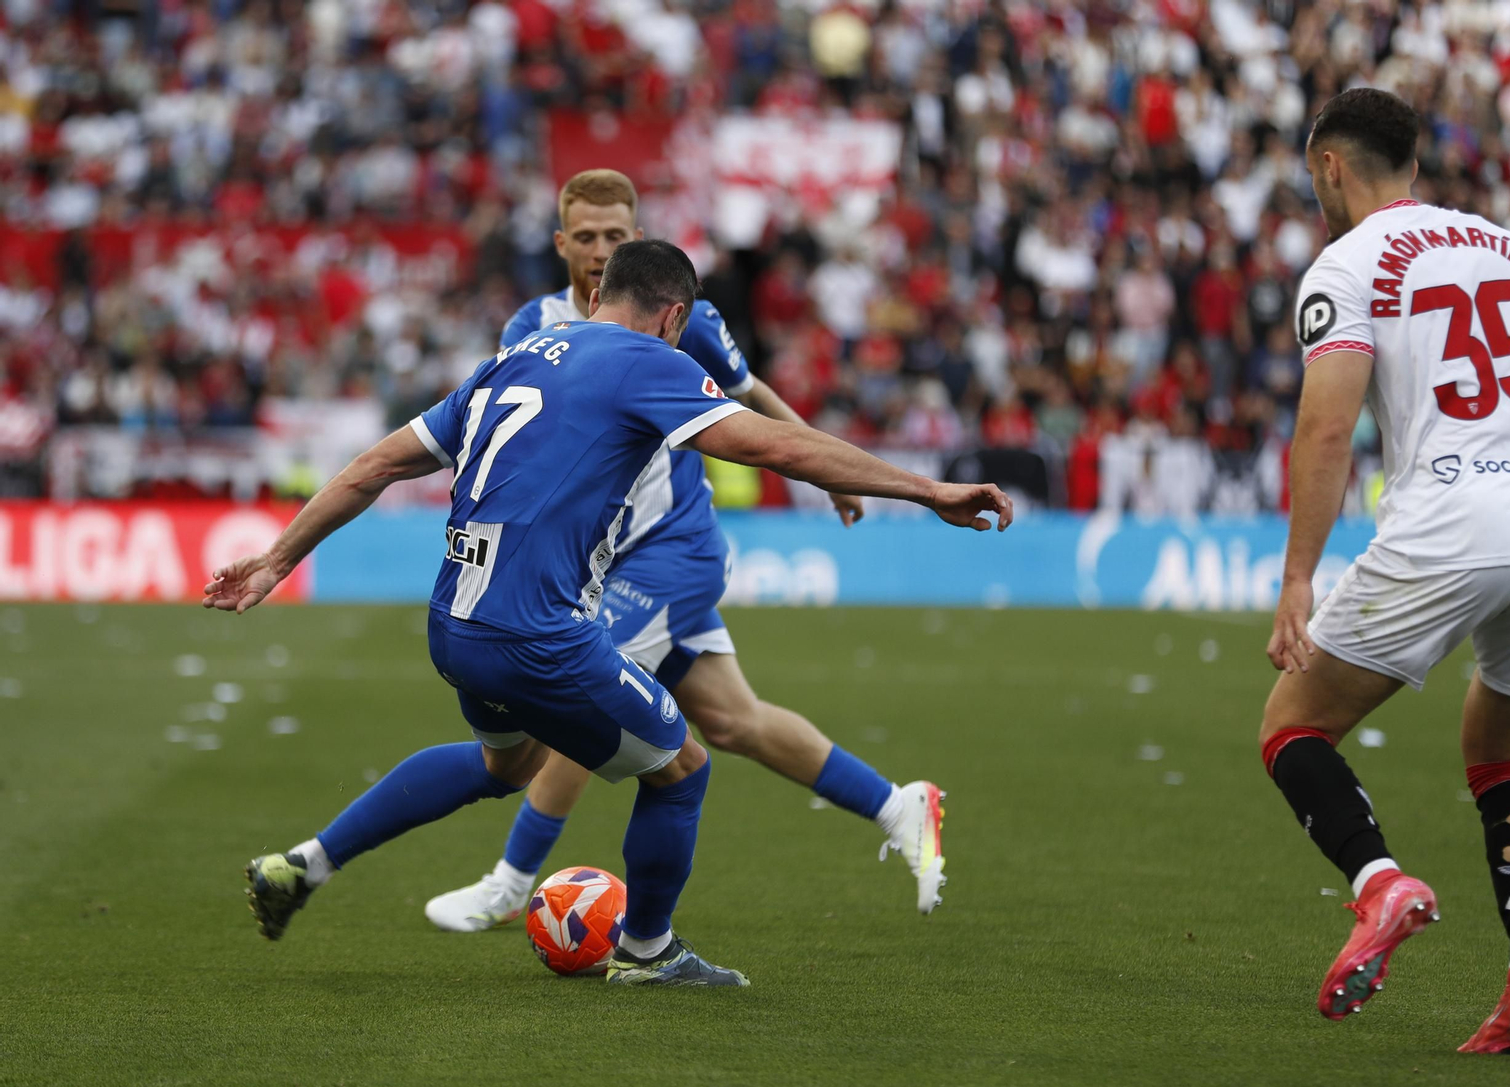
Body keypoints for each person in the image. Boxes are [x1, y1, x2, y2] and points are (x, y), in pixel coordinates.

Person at [204, 240, 1012, 987]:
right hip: (535, 634)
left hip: (454, 622)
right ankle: (647, 950)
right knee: (681, 768)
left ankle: (305, 865)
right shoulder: (646, 361)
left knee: (513, 764)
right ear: (674, 318)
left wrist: (276, 560)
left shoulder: (512, 358)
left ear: (599, 294)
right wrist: (927, 488)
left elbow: (375, 465)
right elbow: (777, 446)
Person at [425, 169, 953, 936]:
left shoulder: (681, 316)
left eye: (615, 236)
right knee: (735, 721)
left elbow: (751, 397)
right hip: (594, 562)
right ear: (562, 242)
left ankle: (509, 882)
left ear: (635, 240)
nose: (600, 250)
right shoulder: (532, 326)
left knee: (579, 703)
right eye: (587, 236)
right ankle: (898, 806)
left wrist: (832, 474)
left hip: (666, 550)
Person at [1260, 86, 1510, 1054]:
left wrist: (1297, 577)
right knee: (1499, 750)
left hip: (1453, 522)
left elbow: (1327, 427)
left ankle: (1380, 884)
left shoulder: (1346, 266)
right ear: (1412, 162)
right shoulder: (1508, 245)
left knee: (1292, 726)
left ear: (1330, 166)